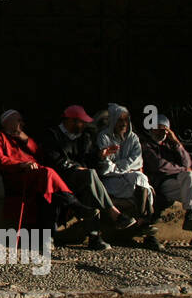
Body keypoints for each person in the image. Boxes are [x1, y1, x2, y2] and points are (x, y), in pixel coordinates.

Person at [40, 104, 140, 250]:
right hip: (60, 179)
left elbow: (88, 159)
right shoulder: (53, 135)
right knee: (89, 176)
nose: (84, 125)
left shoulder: (84, 137)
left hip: (82, 178)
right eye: (81, 122)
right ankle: (114, 214)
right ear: (71, 121)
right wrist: (76, 168)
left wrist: (100, 156)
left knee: (90, 185)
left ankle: (94, 236)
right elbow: (54, 160)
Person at [0, 110, 72, 233]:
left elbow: (41, 155)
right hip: (17, 176)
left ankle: (50, 230)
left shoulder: (23, 138)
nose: (22, 123)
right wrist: (21, 165)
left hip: (37, 176)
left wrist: (26, 140)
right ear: (8, 122)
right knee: (48, 173)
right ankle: (71, 201)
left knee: (49, 189)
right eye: (19, 120)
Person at [143, 115, 192, 249]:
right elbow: (159, 166)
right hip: (162, 184)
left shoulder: (170, 146)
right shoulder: (146, 146)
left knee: (191, 179)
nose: (159, 133)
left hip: (182, 183)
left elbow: (187, 162)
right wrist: (182, 169)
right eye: (156, 129)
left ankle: (191, 214)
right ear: (151, 130)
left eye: (163, 130)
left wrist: (176, 142)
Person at [95, 103, 161, 249]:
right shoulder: (104, 137)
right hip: (111, 181)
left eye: (126, 120)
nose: (123, 123)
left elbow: (137, 162)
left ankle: (144, 222)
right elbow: (105, 167)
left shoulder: (133, 138)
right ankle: (145, 224)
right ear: (113, 120)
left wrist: (117, 165)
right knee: (144, 189)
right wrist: (122, 167)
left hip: (130, 178)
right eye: (120, 120)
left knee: (141, 179)